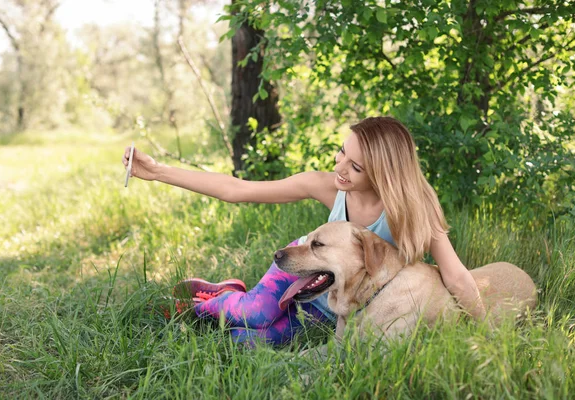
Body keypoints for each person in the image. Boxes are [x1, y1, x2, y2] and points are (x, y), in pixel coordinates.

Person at [122, 116, 486, 344]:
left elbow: (456, 277)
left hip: (337, 302)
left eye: (355, 167)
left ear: (383, 173)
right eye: (340, 152)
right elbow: (238, 190)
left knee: (246, 342)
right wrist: (158, 173)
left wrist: (486, 332)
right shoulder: (327, 185)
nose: (340, 167)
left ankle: (231, 300)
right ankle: (207, 304)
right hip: (307, 261)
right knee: (257, 312)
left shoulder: (413, 208)